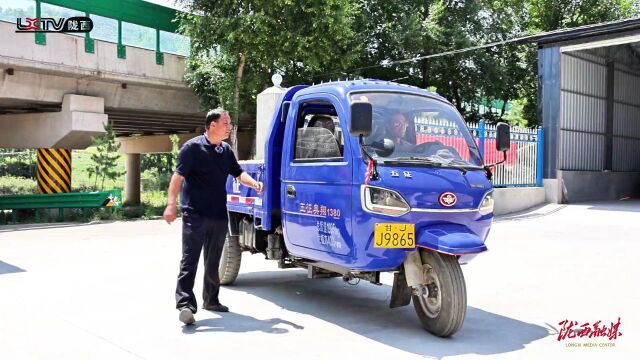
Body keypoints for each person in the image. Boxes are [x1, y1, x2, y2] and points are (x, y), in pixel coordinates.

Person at [163, 108, 263, 326]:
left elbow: (238, 172)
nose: (229, 127)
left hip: (218, 215)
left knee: (213, 260)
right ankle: (185, 305)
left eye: (229, 123)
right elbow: (178, 177)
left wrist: (253, 183)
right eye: (226, 123)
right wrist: (171, 205)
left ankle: (211, 299)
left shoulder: (225, 150)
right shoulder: (192, 148)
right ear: (213, 125)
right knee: (190, 260)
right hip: (195, 214)